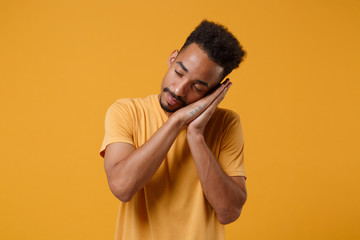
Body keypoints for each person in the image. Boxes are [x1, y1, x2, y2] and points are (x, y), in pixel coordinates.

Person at [99, 20, 247, 240]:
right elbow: (122, 187)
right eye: (179, 73)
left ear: (215, 90)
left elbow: (229, 212)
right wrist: (177, 121)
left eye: (197, 87)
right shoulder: (126, 111)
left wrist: (196, 135)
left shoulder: (226, 124)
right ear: (172, 58)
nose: (178, 90)